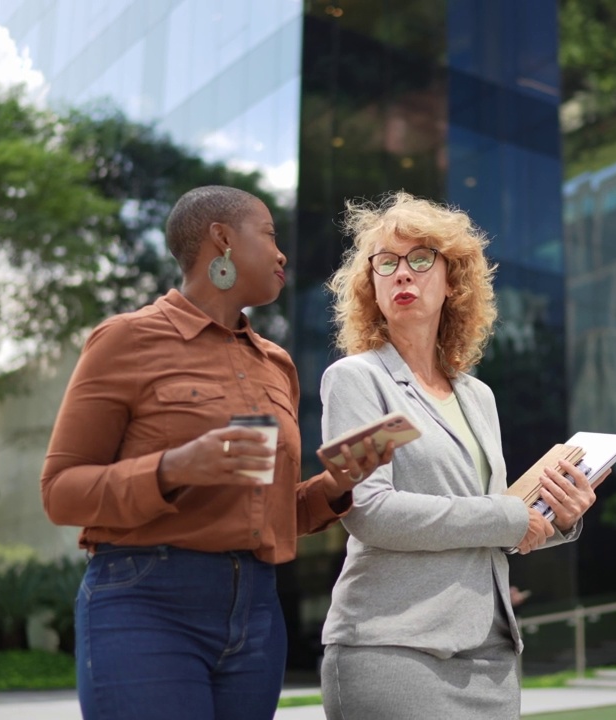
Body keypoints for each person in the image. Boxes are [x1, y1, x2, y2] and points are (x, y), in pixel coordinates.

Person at [40, 185, 392, 720]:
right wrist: (173, 467)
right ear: (222, 239)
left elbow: (265, 514)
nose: (281, 254)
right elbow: (60, 493)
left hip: (256, 611)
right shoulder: (126, 339)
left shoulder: (276, 363)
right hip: (146, 599)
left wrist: (336, 483)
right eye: (270, 235)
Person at [317, 192, 600, 719]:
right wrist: (508, 517)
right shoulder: (356, 379)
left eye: (421, 259)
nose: (403, 273)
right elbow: (368, 511)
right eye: (386, 263)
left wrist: (550, 517)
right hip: (393, 648)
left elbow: (483, 524)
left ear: (452, 282)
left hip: (489, 657)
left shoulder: (478, 397)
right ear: (370, 287)